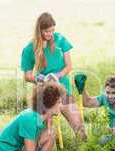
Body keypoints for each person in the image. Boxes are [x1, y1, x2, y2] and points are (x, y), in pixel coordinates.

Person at [20, 12, 86, 140]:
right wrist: (40, 79)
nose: (50, 34)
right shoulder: (29, 48)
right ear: (39, 30)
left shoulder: (60, 39)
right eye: (47, 31)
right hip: (45, 93)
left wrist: (57, 76)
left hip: (64, 89)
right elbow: (27, 76)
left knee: (79, 128)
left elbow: (69, 66)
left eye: (52, 30)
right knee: (45, 133)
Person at [0, 82, 67, 151]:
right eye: (59, 102)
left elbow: (47, 147)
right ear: (50, 103)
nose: (61, 105)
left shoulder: (41, 117)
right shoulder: (30, 119)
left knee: (51, 134)